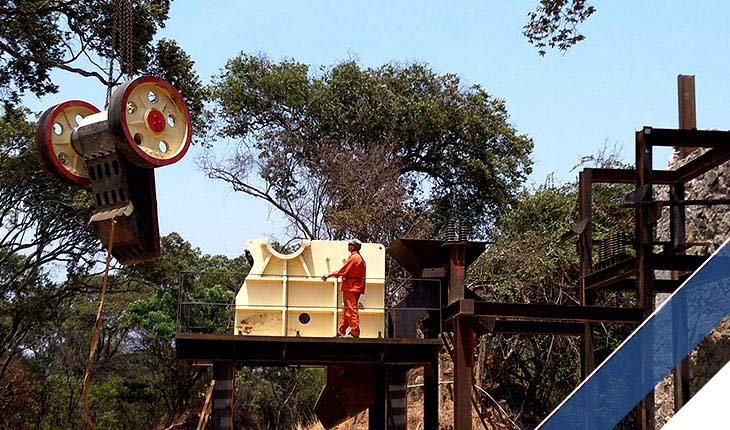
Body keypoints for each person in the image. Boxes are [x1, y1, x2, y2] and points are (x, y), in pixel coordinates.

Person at [321, 239, 366, 338]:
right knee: (347, 310)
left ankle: (355, 332)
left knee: (350, 309)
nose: (348, 246)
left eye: (350, 245)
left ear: (353, 246)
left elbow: (343, 270)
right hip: (353, 286)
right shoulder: (358, 258)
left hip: (351, 287)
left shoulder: (354, 258)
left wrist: (329, 274)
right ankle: (341, 331)